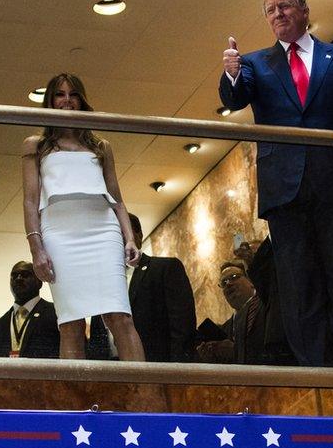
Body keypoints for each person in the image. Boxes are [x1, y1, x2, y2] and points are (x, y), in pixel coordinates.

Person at [219, 0, 333, 368]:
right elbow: (235, 98)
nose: (277, 14)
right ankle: (314, 371)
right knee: (299, 286)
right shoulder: (255, 64)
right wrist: (231, 74)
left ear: (303, 10)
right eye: (270, 10)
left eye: (284, 7)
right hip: (284, 191)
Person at [22, 73, 145, 361]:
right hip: (59, 233)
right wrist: (36, 248)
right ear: (50, 101)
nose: (67, 100)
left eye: (73, 94)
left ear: (81, 100)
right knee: (70, 323)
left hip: (102, 229)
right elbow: (29, 201)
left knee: (120, 317)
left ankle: (144, 398)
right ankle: (75, 404)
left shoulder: (101, 146)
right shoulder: (36, 146)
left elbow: (116, 197)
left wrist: (129, 237)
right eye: (60, 95)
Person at [197, 261, 297, 366]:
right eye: (224, 282)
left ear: (250, 280)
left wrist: (236, 351)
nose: (228, 284)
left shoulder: (269, 306)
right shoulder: (225, 328)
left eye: (234, 277)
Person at [127, 214, 197, 362]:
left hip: (159, 370)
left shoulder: (165, 268)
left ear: (138, 235)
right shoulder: (100, 286)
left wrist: (174, 373)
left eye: (123, 231)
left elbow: (182, 328)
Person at [0, 261, 60, 358]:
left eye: (25, 275)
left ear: (39, 282)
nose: (18, 278)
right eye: (14, 276)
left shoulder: (57, 315)